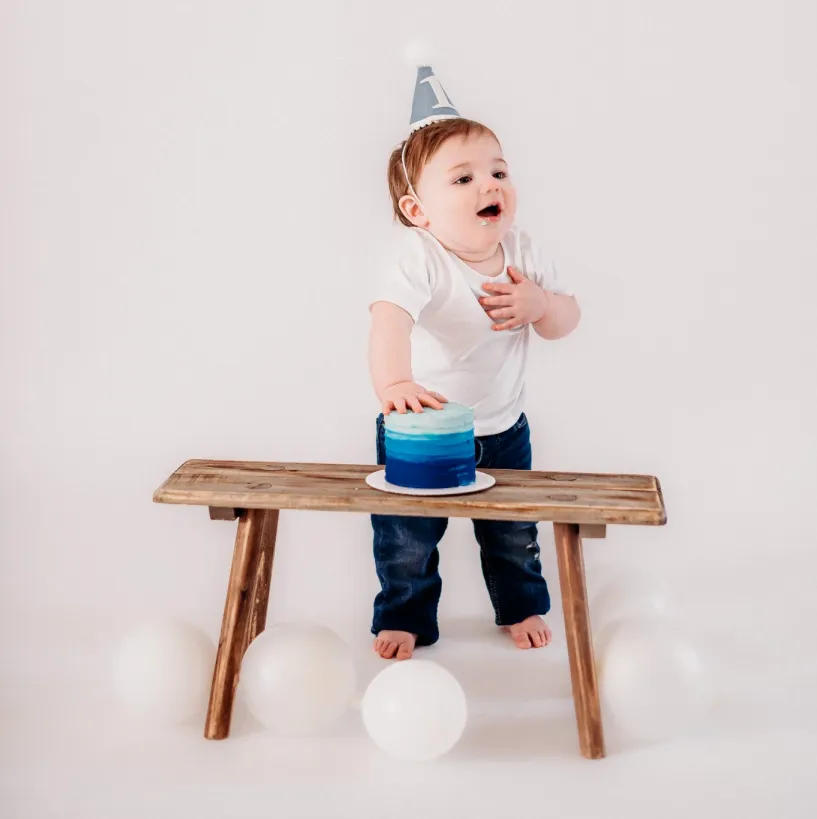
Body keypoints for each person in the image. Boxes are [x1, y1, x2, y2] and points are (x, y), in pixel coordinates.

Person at [368, 60, 581, 660]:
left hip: (502, 426)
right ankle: (405, 617)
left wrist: (539, 303)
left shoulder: (522, 249)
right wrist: (395, 383)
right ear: (419, 211)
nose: (490, 186)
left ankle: (520, 607)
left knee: (514, 532)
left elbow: (566, 322)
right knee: (406, 536)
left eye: (498, 171)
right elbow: (389, 320)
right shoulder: (418, 257)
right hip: (421, 425)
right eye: (462, 179)